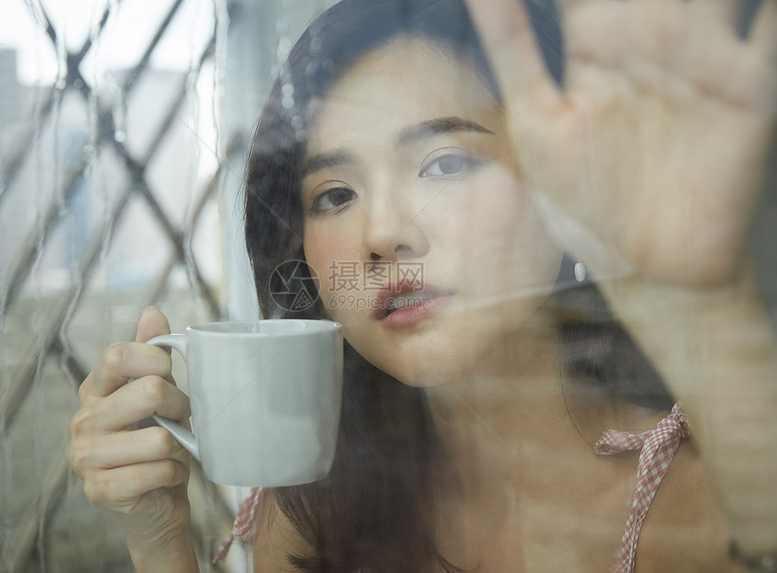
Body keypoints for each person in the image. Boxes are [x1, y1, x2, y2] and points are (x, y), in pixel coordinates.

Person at [69, 0, 777, 571]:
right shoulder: (318, 510)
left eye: (443, 163)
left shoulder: (721, 488)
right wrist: (159, 537)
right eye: (336, 195)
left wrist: (707, 304)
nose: (384, 235)